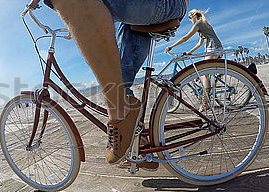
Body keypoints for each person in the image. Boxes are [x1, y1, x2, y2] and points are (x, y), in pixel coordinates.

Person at [28, 0, 189, 169]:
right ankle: (140, 147)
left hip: (167, 4)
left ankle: (120, 115)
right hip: (142, 16)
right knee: (119, 79)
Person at [165, 9, 223, 111]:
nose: (189, 19)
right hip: (214, 48)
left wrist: (171, 46)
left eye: (189, 17)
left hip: (213, 48)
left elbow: (186, 37)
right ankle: (204, 91)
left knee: (205, 74)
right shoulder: (203, 25)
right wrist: (189, 52)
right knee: (203, 72)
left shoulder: (199, 24)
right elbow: (199, 44)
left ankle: (205, 103)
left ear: (194, 15)